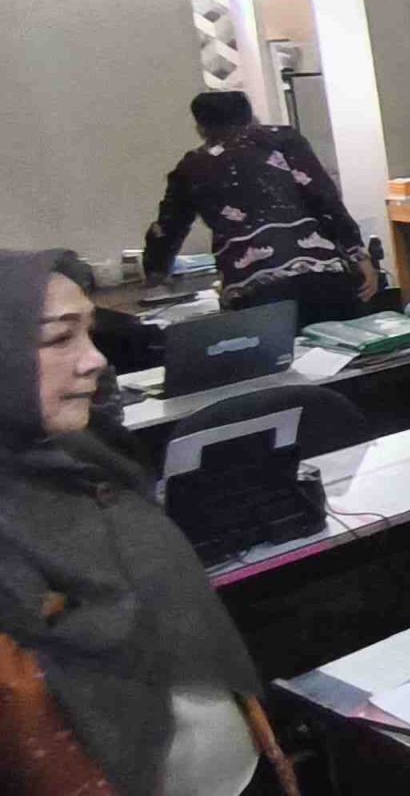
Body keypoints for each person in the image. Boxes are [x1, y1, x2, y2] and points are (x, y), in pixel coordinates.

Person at [0, 250, 300, 796]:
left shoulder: (92, 462)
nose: (94, 360)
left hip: (239, 771)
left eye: (89, 333)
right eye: (59, 338)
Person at [144, 91, 376, 325]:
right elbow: (324, 197)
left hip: (253, 286)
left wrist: (155, 271)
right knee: (340, 342)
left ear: (201, 128)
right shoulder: (283, 140)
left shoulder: (192, 167)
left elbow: (167, 228)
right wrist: (358, 254)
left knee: (276, 347)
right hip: (322, 272)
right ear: (250, 116)